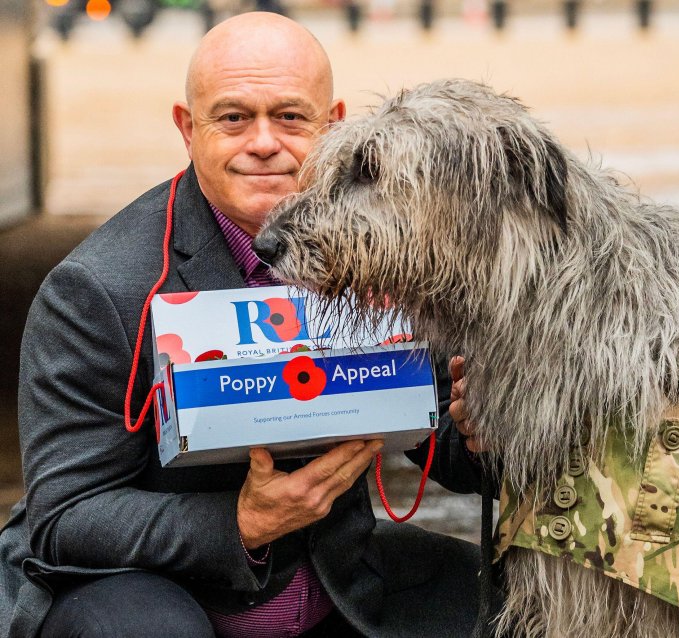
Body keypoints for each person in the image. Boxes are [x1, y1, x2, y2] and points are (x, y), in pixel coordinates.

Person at [0, 13, 484, 638]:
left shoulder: (382, 253)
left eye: (290, 117)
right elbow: (64, 517)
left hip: (329, 580)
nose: (263, 142)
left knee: (495, 592)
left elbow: (435, 439)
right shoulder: (96, 288)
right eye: (233, 118)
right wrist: (242, 522)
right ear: (187, 127)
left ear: (334, 124)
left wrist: (479, 432)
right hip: (145, 591)